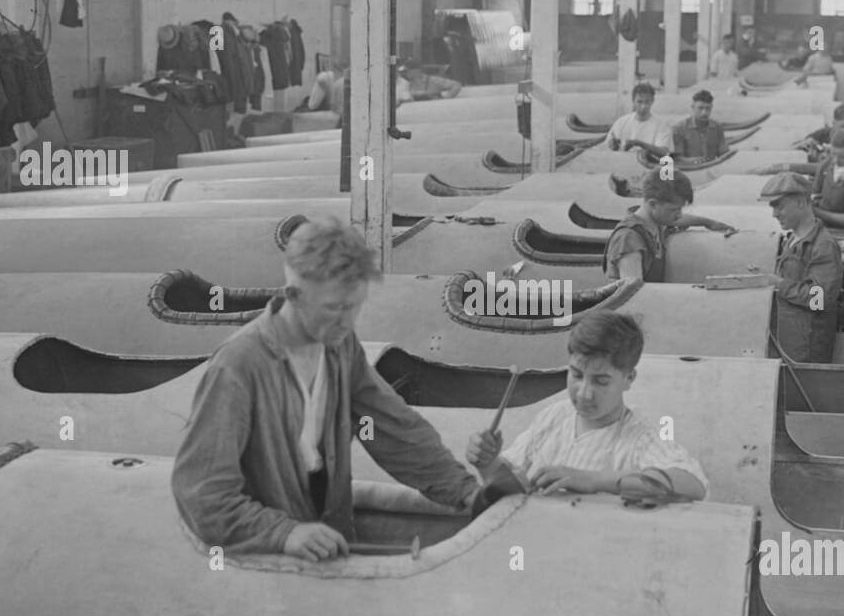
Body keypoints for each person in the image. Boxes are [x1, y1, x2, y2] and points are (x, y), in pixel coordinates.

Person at [171, 217, 490, 560]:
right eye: (334, 309)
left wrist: (466, 492)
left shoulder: (339, 347)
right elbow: (202, 493)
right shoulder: (238, 366)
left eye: (355, 306)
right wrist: (283, 533)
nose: (347, 322)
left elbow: (393, 429)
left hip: (330, 548)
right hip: (264, 566)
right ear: (294, 296)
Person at [465, 311, 709, 501]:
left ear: (629, 379)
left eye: (601, 381)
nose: (584, 393)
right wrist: (487, 463)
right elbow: (506, 488)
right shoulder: (553, 417)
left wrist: (595, 480)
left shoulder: (641, 438)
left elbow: (693, 484)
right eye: (576, 375)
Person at [759, 172, 843, 363]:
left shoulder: (823, 246)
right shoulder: (792, 239)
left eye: (779, 206)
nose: (774, 214)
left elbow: (819, 299)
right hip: (788, 344)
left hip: (806, 352)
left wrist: (779, 284)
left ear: (800, 202)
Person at [602, 169, 737, 283]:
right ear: (653, 204)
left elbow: (679, 220)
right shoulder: (629, 239)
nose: (678, 215)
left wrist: (709, 223)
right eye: (674, 210)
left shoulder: (656, 223)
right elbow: (631, 294)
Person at [606, 82, 671, 153]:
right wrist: (612, 145)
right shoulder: (620, 123)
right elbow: (608, 145)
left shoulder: (662, 125)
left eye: (647, 102)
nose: (643, 106)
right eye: (640, 102)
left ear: (652, 101)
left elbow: (664, 152)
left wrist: (639, 144)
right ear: (633, 101)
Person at [671, 89, 728, 161]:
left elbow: (724, 154)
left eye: (708, 108)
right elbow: (676, 158)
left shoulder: (717, 127)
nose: (704, 112)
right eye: (700, 108)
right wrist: (697, 161)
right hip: (688, 170)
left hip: (712, 168)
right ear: (693, 108)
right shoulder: (679, 128)